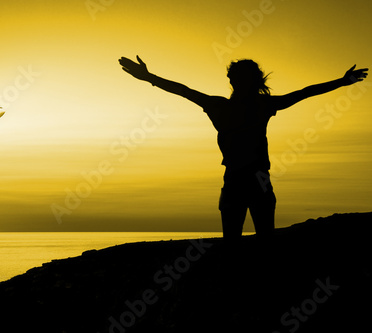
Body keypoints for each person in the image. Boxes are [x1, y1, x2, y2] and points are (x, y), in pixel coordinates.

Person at [118, 56, 368, 242]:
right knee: (248, 242)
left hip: (248, 179)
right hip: (246, 179)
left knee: (250, 242)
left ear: (238, 81)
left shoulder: (232, 106)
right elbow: (304, 93)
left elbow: (183, 90)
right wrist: (148, 77)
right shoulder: (252, 105)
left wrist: (341, 81)